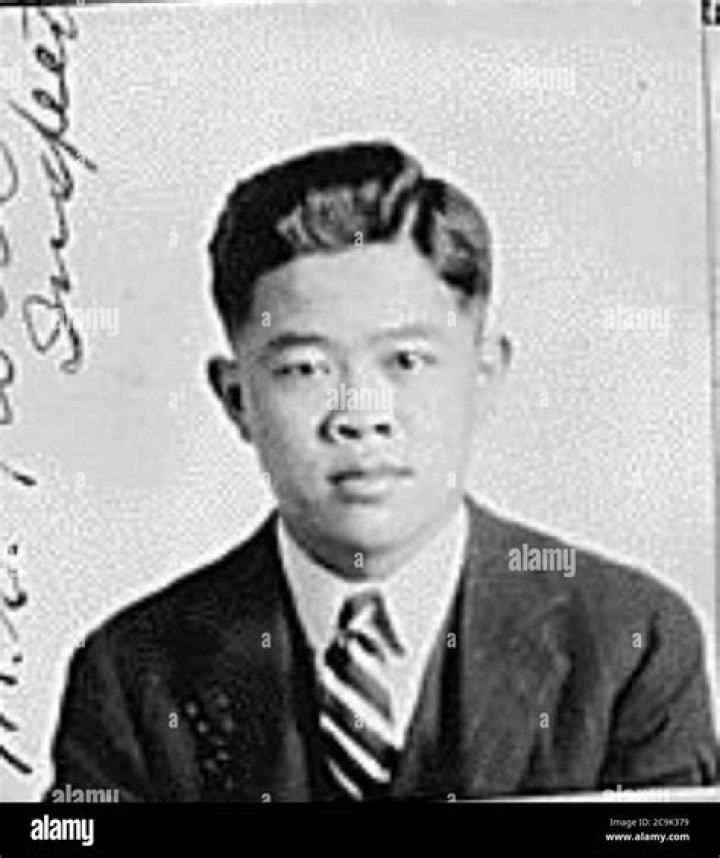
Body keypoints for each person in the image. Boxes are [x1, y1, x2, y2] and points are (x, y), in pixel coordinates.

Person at [44, 139, 717, 801]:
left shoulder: (629, 640)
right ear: (237, 399)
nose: (361, 416)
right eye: (305, 368)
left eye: (406, 361)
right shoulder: (133, 671)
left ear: (482, 376)